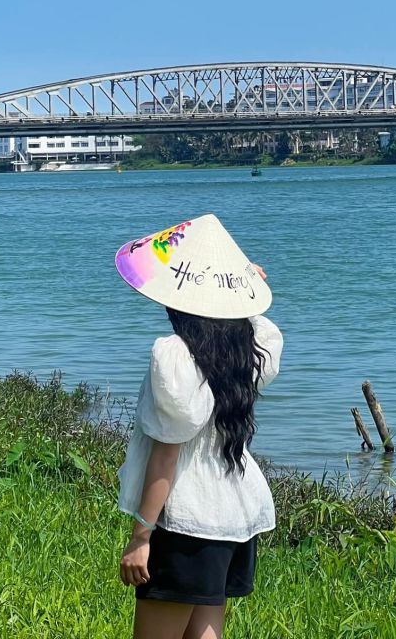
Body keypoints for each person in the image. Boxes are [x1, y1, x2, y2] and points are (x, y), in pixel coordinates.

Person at [113, 213, 283, 639]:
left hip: (185, 519)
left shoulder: (175, 358)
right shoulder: (251, 349)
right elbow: (260, 320)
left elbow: (168, 452)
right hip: (234, 513)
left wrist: (141, 536)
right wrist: (248, 285)